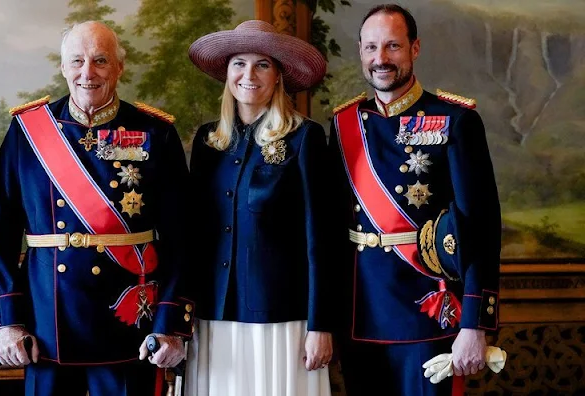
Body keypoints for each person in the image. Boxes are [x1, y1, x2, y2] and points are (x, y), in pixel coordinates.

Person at [0, 21, 193, 396]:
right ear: (63, 67)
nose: (87, 72)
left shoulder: (154, 132)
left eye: (100, 60)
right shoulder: (28, 131)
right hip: (45, 323)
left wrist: (169, 323)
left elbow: (182, 238)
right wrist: (8, 321)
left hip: (128, 322)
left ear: (119, 67)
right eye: (76, 61)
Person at [329, 4, 501, 396]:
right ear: (360, 50)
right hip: (362, 314)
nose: (380, 58)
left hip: (430, 315)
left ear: (415, 48)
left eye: (392, 46)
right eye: (371, 47)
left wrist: (474, 324)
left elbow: (481, 229)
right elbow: (328, 230)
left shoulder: (455, 121)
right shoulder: (343, 125)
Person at [186, 20, 333, 396]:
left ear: (279, 75)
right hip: (212, 316)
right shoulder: (207, 141)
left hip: (281, 321)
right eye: (239, 63)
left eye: (262, 64)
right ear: (227, 73)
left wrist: (320, 325)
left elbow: (321, 240)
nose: (249, 74)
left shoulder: (305, 138)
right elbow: (192, 235)